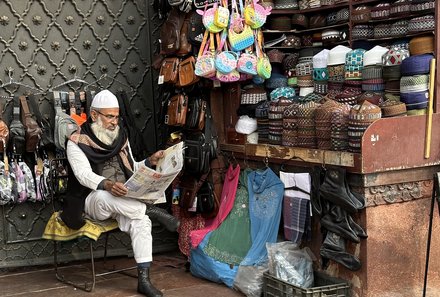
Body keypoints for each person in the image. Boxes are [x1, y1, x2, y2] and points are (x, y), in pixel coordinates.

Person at [63, 89, 179, 297]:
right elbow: (83, 176)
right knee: (104, 196)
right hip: (92, 201)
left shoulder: (120, 137)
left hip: (124, 200)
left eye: (116, 117)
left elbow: (131, 166)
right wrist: (107, 184)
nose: (114, 122)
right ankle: (151, 209)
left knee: (141, 221)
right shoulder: (76, 141)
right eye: (109, 116)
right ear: (94, 115)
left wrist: (149, 162)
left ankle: (144, 280)